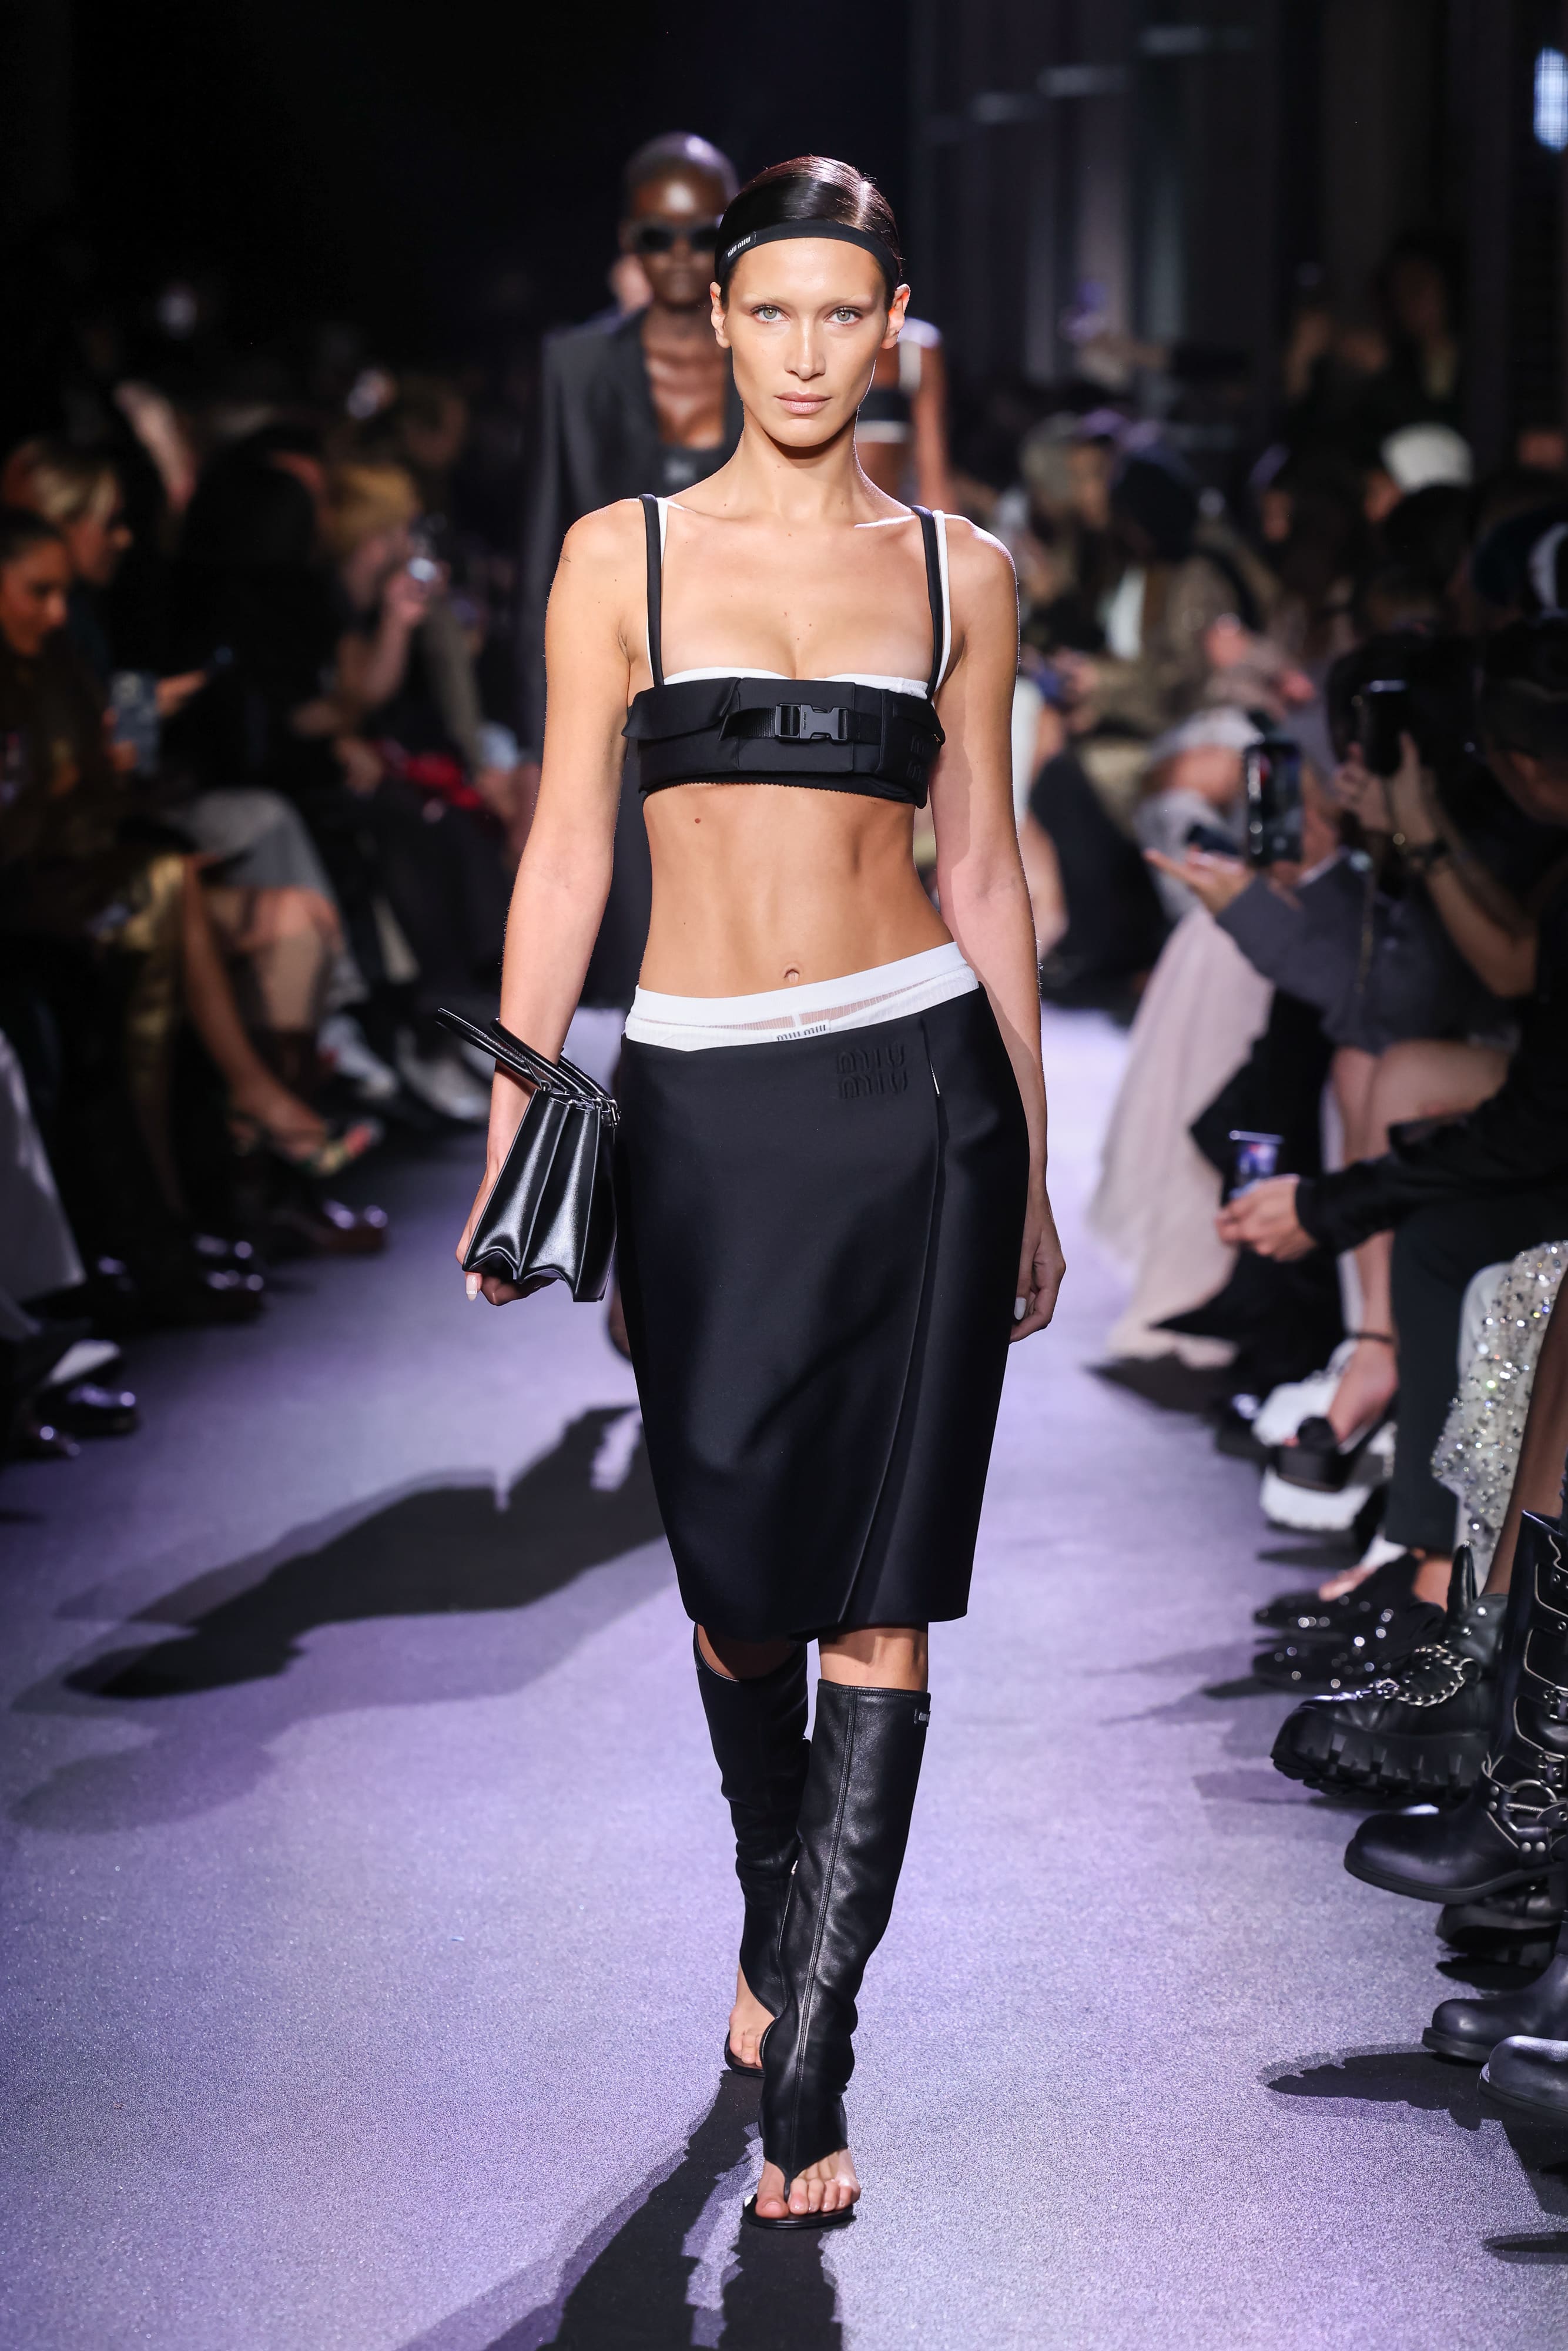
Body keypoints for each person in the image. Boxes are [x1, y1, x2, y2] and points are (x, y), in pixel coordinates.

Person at [459, 155, 1061, 2228]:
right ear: (717, 321)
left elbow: (984, 869)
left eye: (842, 314)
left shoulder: (959, 572)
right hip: (704, 1101)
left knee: (881, 1591)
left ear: (891, 329)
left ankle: (813, 2047)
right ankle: (771, 1896)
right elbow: (564, 847)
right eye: (770, 311)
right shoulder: (616, 558)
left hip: (919, 1098)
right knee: (732, 1582)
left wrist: (1029, 1158)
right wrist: (517, 1120)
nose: (806, 353)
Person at [518, 132, 743, 1012]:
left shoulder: (771, 357)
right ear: (629, 241)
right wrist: (535, 741)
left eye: (703, 234)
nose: (681, 255)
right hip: (620, 690)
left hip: (752, 672)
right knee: (635, 941)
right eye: (658, 235)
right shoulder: (574, 365)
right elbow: (545, 547)